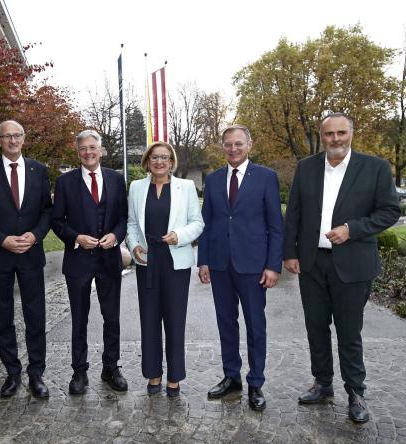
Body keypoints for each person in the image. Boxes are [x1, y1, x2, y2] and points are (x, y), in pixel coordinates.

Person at [284, 113, 400, 423]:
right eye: (329, 134)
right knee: (316, 328)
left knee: (350, 332)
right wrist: (289, 253)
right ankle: (323, 384)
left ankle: (356, 392)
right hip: (311, 262)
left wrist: (353, 228)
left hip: (352, 263)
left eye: (341, 133)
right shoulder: (306, 167)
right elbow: (293, 213)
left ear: (351, 133)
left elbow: (390, 211)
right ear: (322, 137)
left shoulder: (375, 167)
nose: (335, 139)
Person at [198, 124, 283, 411]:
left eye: (238, 144)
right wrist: (204, 261)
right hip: (220, 264)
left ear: (249, 145)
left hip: (253, 266)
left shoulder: (266, 178)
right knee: (226, 323)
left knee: (255, 325)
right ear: (222, 147)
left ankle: (256, 382)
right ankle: (231, 377)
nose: (232, 149)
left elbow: (275, 226)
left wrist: (273, 266)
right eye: (227, 144)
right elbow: (207, 224)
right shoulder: (213, 180)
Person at [0, 120, 52, 398]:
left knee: (36, 316)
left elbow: (47, 212)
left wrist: (35, 235)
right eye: (7, 136)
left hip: (31, 254)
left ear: (24, 138)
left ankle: (36, 373)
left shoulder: (39, 170)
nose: (13, 140)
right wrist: (1, 239)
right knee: (2, 317)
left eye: (17, 135)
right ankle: (12, 372)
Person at [52, 129, 128, 394]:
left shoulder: (116, 180)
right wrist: (76, 238)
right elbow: (57, 222)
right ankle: (79, 371)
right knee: (79, 318)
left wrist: (115, 236)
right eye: (82, 148)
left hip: (109, 259)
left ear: (100, 149)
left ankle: (111, 367)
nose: (88, 152)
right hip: (78, 261)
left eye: (92, 147)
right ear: (78, 153)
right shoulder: (65, 183)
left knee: (112, 317)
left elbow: (123, 218)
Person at [127, 141, 203, 397]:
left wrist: (179, 235)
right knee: (149, 320)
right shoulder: (136, 187)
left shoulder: (186, 187)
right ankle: (153, 374)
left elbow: (197, 223)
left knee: (174, 320)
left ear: (172, 162)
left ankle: (174, 377)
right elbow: (131, 223)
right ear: (147, 161)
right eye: (154, 157)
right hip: (147, 261)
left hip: (175, 261)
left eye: (165, 157)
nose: (160, 162)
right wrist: (135, 245)